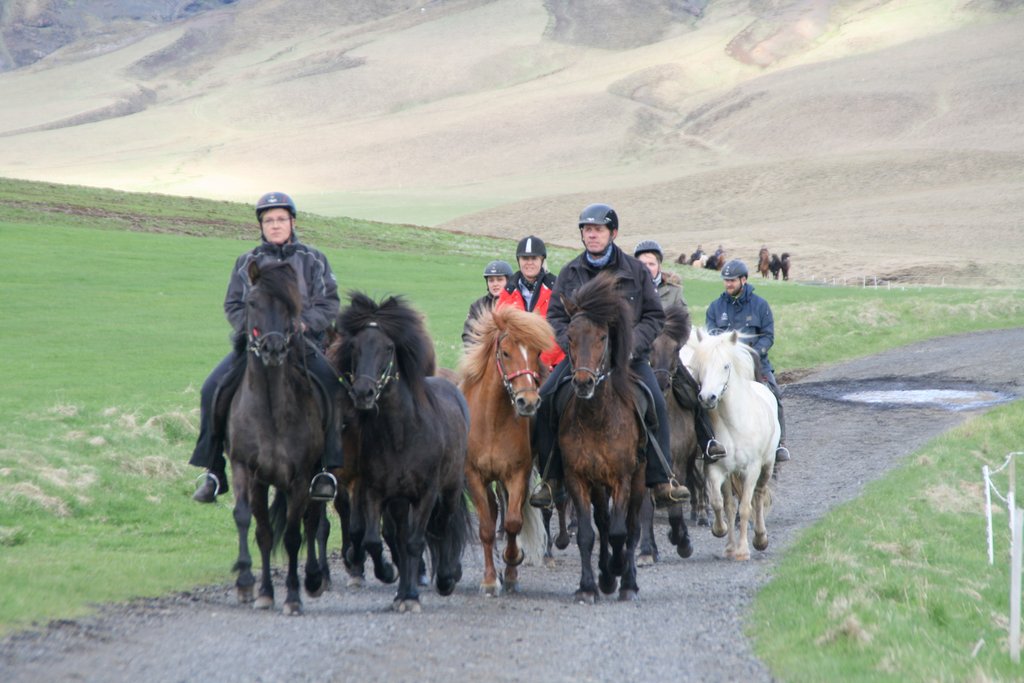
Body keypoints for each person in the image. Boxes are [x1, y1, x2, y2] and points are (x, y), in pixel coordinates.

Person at [529, 203, 689, 509]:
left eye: (598, 230)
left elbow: (654, 316)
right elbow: (556, 317)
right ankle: (551, 480)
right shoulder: (570, 272)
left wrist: (630, 346)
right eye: (587, 230)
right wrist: (575, 347)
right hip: (583, 361)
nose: (592, 235)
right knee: (546, 400)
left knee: (656, 402)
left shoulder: (635, 271)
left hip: (629, 359)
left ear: (612, 233)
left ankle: (661, 479)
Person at [190, 192, 344, 503]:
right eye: (269, 220)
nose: (275, 225)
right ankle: (214, 471)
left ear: (293, 222)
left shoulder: (313, 259)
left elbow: (329, 303)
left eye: (281, 219)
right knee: (211, 389)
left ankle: (325, 469)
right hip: (255, 345)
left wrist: (303, 325)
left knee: (333, 386)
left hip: (302, 344)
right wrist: (252, 331)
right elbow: (234, 304)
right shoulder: (246, 262)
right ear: (261, 225)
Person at [634, 240, 726, 461]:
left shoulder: (673, 292)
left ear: (659, 265)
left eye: (651, 263)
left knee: (691, 392)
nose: (647, 267)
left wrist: (674, 345)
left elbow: (685, 323)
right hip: (638, 354)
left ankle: (707, 441)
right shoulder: (628, 291)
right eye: (642, 264)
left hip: (667, 355)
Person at [705, 259, 791, 462]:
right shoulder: (715, 308)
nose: (728, 284)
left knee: (774, 393)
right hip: (724, 366)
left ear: (743, 280)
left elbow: (768, 336)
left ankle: (779, 443)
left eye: (732, 280)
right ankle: (708, 441)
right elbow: (711, 338)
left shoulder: (760, 305)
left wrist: (753, 354)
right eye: (726, 280)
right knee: (705, 395)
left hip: (756, 362)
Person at [498, 235, 564, 368]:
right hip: (518, 364)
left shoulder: (556, 288)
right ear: (518, 261)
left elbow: (560, 330)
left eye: (534, 258)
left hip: (552, 362)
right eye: (525, 258)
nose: (529, 263)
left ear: (542, 260)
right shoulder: (508, 291)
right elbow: (501, 330)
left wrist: (540, 363)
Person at [462, 260, 513, 345]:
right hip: (483, 351)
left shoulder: (516, 303)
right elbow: (468, 335)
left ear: (508, 281)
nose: (495, 284)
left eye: (499, 280)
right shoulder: (478, 306)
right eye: (491, 280)